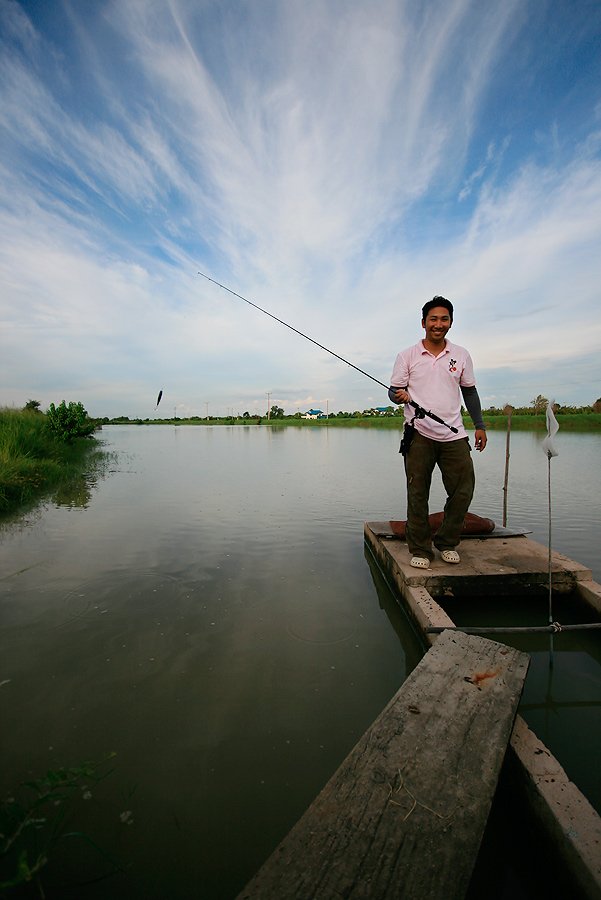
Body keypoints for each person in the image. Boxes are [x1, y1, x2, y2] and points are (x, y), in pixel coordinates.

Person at [389, 296, 487, 569]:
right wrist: (399, 397)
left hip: (454, 434)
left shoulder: (461, 355)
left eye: (444, 319)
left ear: (450, 323)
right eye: (433, 319)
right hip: (418, 432)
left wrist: (480, 425)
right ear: (423, 323)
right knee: (417, 492)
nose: (438, 324)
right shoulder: (407, 356)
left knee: (463, 490)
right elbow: (392, 391)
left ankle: (446, 541)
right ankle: (420, 549)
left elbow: (469, 391)